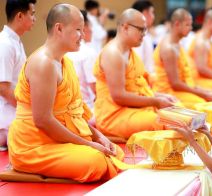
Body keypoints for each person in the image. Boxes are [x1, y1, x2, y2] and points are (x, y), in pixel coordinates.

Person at [8, 4, 124, 182]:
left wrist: (98, 136)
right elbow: (43, 121)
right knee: (96, 161)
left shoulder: (64, 62)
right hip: (33, 146)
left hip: (58, 140)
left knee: (114, 151)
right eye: (78, 30)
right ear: (59, 28)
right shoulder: (43, 63)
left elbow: (73, 112)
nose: (83, 36)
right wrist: (89, 144)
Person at [94, 8, 176, 140]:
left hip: (134, 109)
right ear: (125, 27)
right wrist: (156, 101)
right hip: (115, 116)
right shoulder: (113, 54)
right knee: (166, 122)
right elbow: (119, 97)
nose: (144, 34)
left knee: (178, 111)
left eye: (145, 29)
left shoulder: (130, 52)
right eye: (141, 29)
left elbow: (138, 88)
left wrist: (160, 96)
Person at [153, 8, 212, 108]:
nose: (191, 28)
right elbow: (175, 84)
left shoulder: (177, 43)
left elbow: (184, 77)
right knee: (206, 105)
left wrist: (200, 90)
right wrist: (201, 93)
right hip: (169, 92)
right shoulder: (168, 48)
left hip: (183, 87)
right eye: (187, 25)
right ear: (177, 24)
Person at [0, 0, 36, 150]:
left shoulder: (15, 42)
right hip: (7, 117)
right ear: (20, 16)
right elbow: (3, 88)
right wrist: (29, 109)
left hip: (16, 111)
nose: (34, 19)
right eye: (32, 14)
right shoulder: (5, 44)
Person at [66, 10, 97, 111]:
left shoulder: (63, 51)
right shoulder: (88, 52)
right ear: (84, 27)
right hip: (88, 109)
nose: (92, 30)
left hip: (68, 110)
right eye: (90, 26)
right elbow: (95, 89)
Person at [132, 0, 156, 74]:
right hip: (141, 80)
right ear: (145, 13)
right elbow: (137, 63)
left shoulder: (146, 34)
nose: (153, 16)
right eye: (152, 12)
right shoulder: (137, 34)